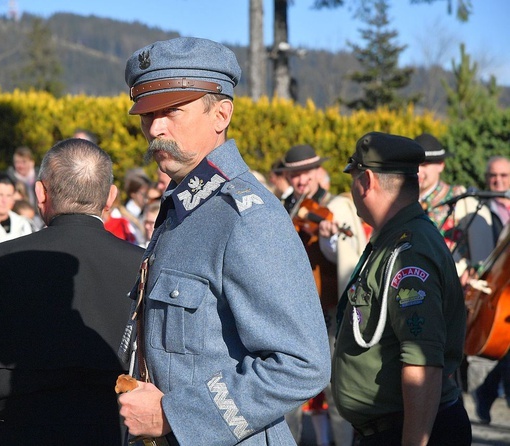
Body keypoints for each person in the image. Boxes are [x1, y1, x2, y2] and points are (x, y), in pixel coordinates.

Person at [117, 37, 330, 445]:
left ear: (221, 113)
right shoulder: (185, 208)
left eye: (171, 111)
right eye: (147, 114)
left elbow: (302, 364)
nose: (155, 128)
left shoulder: (246, 217)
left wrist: (172, 416)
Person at [0, 138, 145, 445]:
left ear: (40, 193)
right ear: (111, 196)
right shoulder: (144, 267)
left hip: (12, 425)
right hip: (111, 427)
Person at [332, 132, 470, 445]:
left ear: (366, 180)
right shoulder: (395, 240)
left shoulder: (408, 250)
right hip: (392, 429)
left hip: (406, 431)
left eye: (353, 177)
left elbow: (422, 363)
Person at [280, 144, 354, 446]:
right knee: (287, 391)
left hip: (326, 310)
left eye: (305, 174)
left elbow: (340, 257)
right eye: (295, 175)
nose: (301, 181)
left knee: (337, 388)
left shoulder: (331, 208)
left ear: (316, 173)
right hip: (290, 312)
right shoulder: (281, 206)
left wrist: (330, 237)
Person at [415, 133, 494, 277]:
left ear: (441, 165)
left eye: (425, 164)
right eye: (415, 164)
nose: (419, 170)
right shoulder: (401, 202)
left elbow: (483, 260)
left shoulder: (463, 201)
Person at [471, 155, 510, 425]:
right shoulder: (480, 213)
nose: (497, 181)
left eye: (503, 176)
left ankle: (485, 394)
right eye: (492, 176)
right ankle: (484, 397)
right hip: (498, 294)